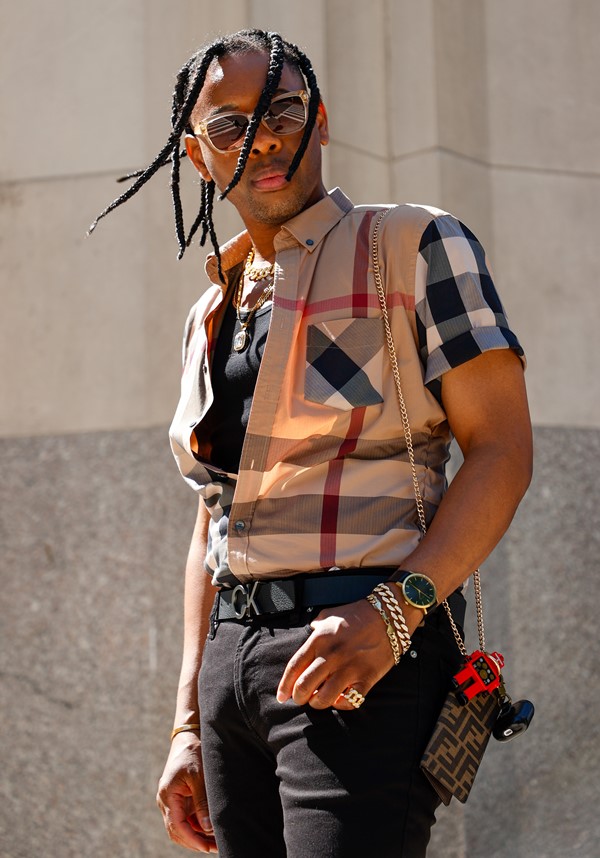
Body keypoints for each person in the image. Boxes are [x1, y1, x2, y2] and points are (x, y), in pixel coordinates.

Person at [91, 29, 532, 858]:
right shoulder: (210, 310)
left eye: (282, 110)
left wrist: (393, 618)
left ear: (320, 119)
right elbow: (212, 521)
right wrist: (187, 721)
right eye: (228, 126)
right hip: (234, 673)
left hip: (363, 650)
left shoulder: (413, 244)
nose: (261, 137)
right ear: (196, 154)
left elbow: (504, 449)